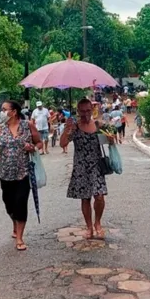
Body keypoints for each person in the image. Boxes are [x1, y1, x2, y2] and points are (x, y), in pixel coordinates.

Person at [0, 101, 42, 251]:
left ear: (14, 112)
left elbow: (39, 142)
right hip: (5, 173)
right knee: (9, 203)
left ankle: (20, 238)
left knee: (21, 202)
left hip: (23, 172)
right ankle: (15, 223)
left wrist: (33, 148)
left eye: (4, 109)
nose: (2, 112)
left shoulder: (27, 125)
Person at [60, 98, 114, 240]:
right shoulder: (75, 127)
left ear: (92, 110)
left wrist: (111, 139)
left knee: (99, 196)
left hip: (97, 166)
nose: (85, 114)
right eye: (82, 111)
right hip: (81, 167)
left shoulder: (98, 125)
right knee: (85, 198)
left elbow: (110, 140)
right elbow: (63, 143)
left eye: (88, 110)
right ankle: (89, 227)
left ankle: (98, 223)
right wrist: (67, 129)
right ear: (78, 111)